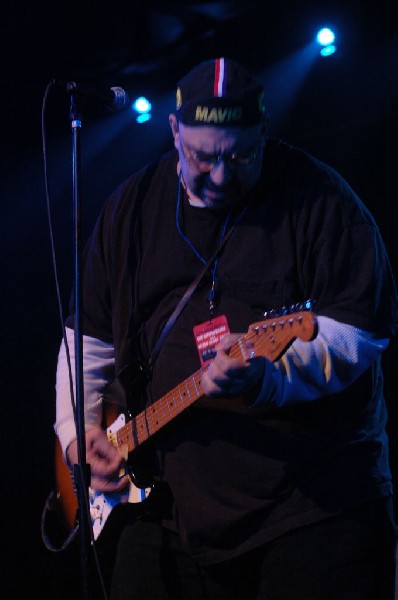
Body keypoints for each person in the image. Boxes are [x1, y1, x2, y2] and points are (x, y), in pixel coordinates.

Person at [55, 57, 398, 599]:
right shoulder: (130, 209)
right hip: (167, 506)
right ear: (174, 131)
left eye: (240, 156)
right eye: (202, 156)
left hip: (312, 508)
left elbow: (360, 332)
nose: (220, 174)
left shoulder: (323, 203)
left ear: (264, 131)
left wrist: (271, 377)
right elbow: (87, 340)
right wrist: (78, 436)